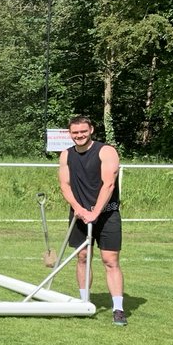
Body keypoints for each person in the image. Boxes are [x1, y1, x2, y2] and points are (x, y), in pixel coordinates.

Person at [57, 114, 126, 326]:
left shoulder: (106, 151)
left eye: (83, 131)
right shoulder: (66, 155)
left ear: (91, 130)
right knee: (82, 258)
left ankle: (118, 308)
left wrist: (95, 213)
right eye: (75, 132)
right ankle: (83, 300)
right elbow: (65, 185)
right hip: (79, 214)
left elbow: (109, 185)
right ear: (70, 134)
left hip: (106, 214)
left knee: (110, 260)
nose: (79, 135)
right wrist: (79, 209)